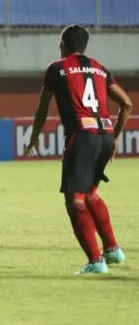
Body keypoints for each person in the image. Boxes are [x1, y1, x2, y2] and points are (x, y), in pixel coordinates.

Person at [25, 24, 132, 275]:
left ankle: (96, 261)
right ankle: (113, 250)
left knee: (75, 200)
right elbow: (127, 103)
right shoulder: (99, 68)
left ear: (63, 45)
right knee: (91, 193)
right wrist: (114, 138)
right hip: (104, 134)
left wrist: (34, 137)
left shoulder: (57, 68)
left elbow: (42, 108)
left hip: (83, 136)